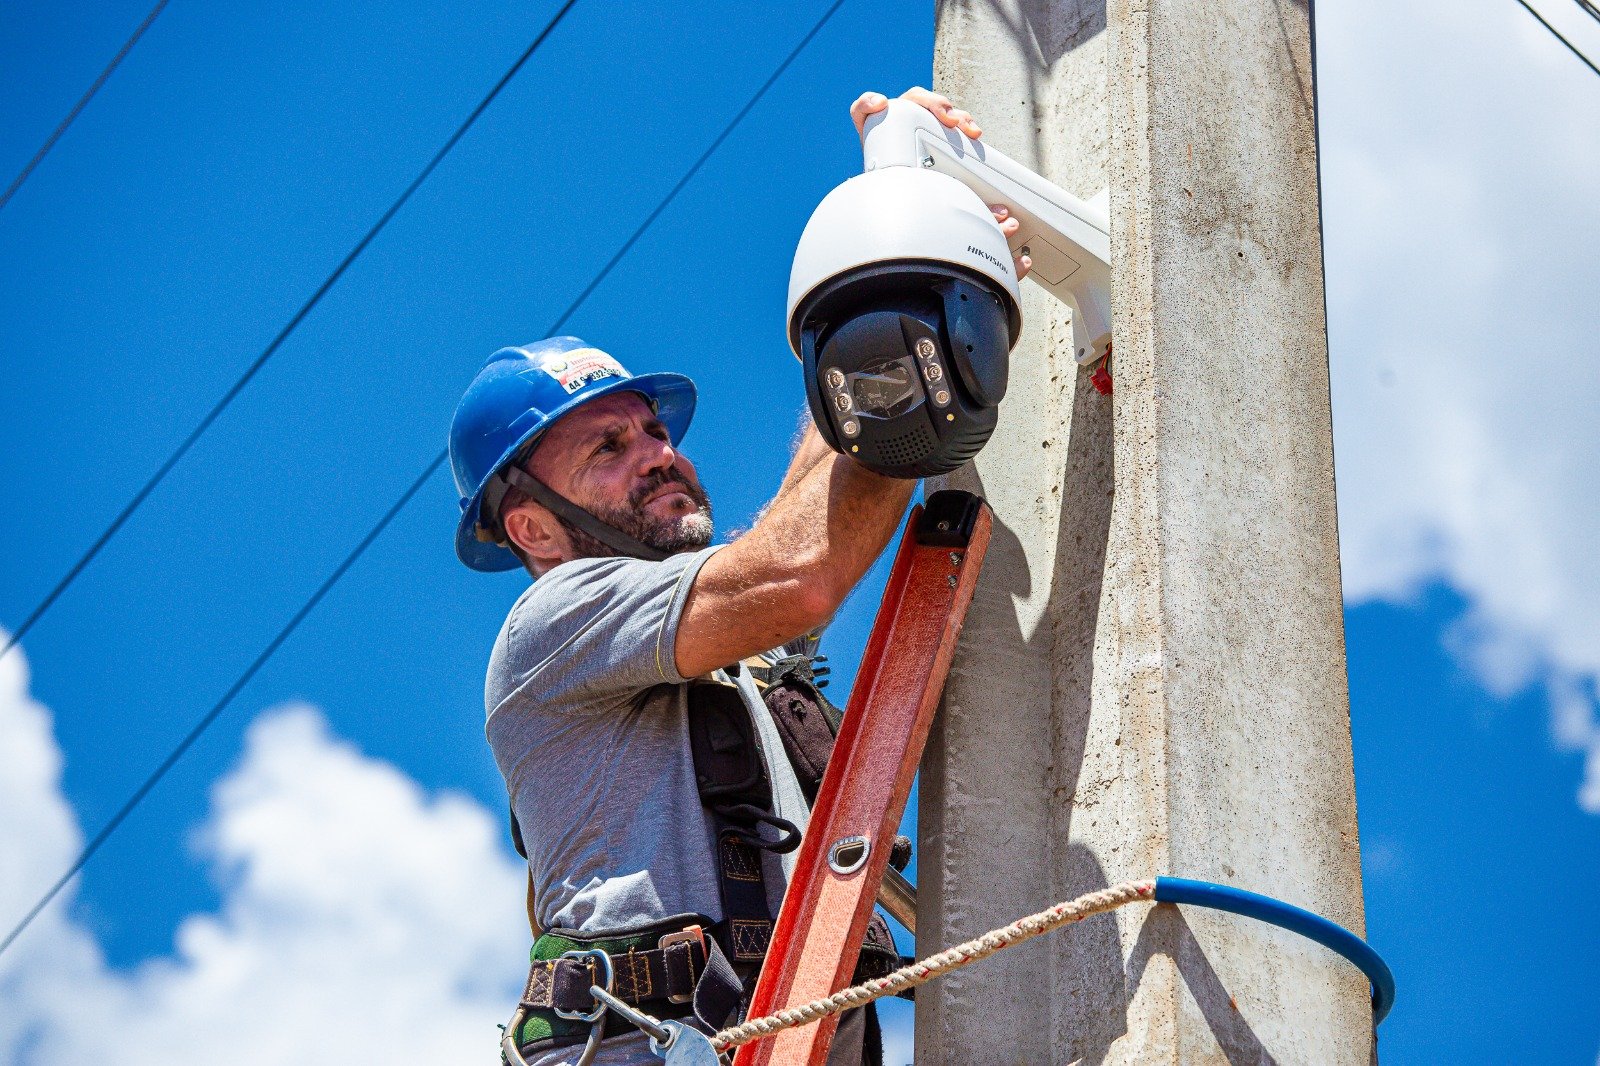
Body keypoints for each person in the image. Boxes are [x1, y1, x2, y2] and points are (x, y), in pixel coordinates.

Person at [448, 88, 1029, 1066]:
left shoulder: (729, 668)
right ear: (534, 528)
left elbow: (807, 501)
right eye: (607, 448)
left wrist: (899, 229)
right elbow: (799, 566)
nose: (658, 454)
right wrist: (918, 329)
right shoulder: (552, 623)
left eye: (655, 431)